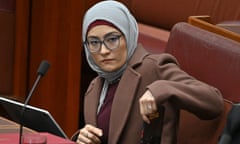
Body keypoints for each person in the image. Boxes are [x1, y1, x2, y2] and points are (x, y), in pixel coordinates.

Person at [74, 0, 224, 144]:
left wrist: (161, 89)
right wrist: (82, 138)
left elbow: (214, 102)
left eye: (112, 39)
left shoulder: (154, 67)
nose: (104, 51)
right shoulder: (94, 88)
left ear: (128, 35)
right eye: (94, 42)